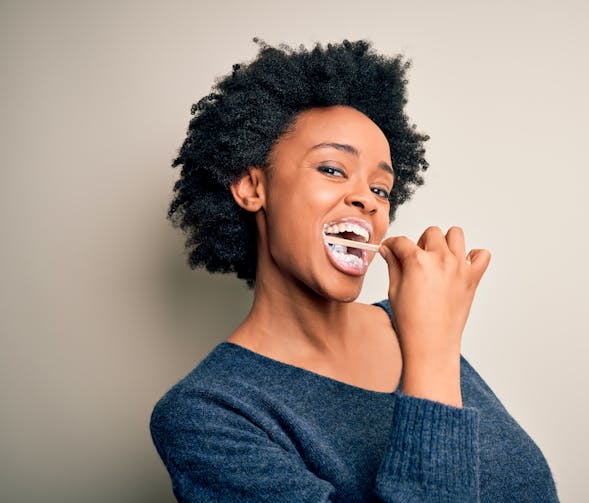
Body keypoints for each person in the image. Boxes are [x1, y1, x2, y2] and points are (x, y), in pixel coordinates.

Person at [150, 38, 559, 502]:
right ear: (251, 186)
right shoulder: (209, 414)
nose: (368, 199)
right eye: (331, 168)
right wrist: (432, 354)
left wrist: (429, 340)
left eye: (382, 189)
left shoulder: (410, 324)